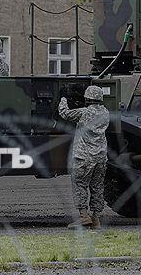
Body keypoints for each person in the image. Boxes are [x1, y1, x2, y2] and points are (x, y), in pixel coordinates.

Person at [58, 85, 109, 229]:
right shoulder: (105, 112)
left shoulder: (84, 112)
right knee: (97, 187)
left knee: (80, 185)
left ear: (87, 98)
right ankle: (96, 218)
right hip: (101, 157)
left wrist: (63, 98)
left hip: (84, 157)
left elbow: (65, 113)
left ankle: (83, 216)